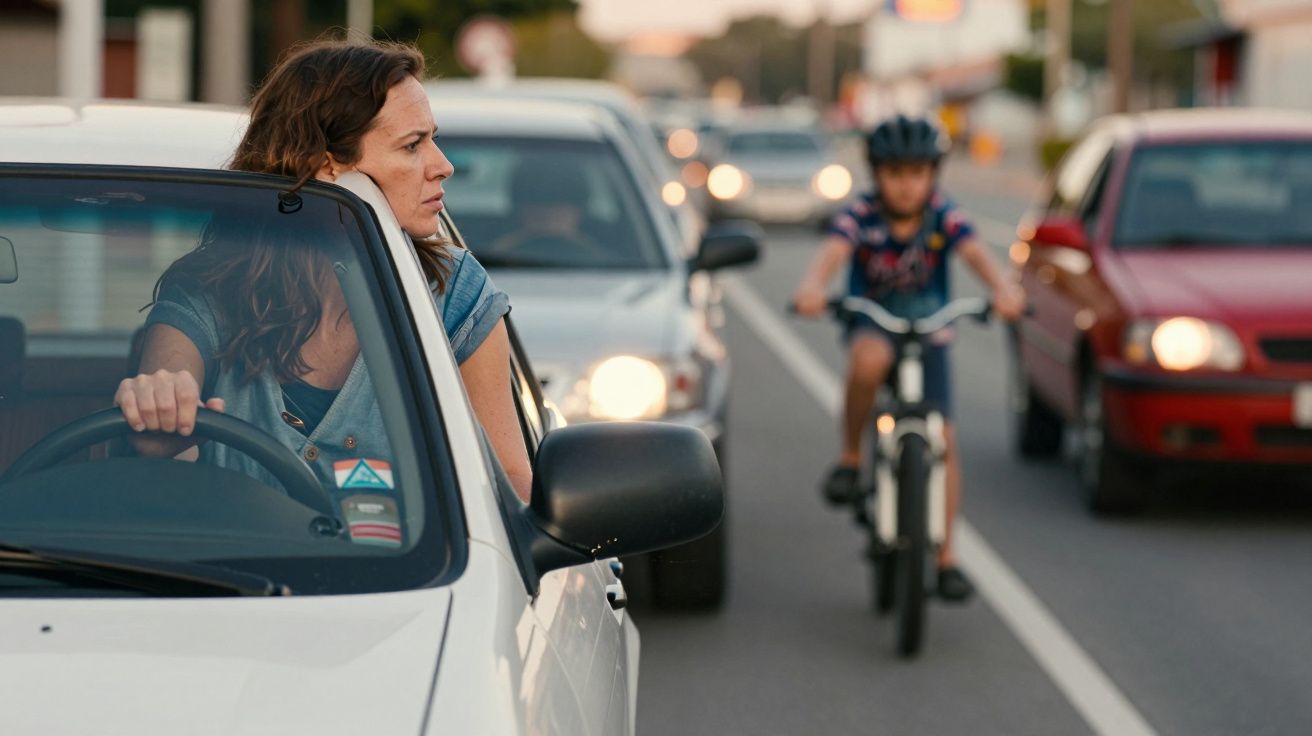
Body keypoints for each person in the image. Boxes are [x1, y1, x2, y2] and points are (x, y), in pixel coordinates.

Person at [114, 41, 533, 503]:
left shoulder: (454, 292)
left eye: (432, 139)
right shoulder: (210, 286)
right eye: (413, 145)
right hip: (240, 572)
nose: (443, 166)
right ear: (327, 166)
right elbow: (165, 393)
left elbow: (511, 485)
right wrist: (161, 408)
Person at [791, 114, 1024, 601]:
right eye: (895, 174)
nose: (906, 186)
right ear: (877, 175)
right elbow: (833, 252)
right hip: (875, 320)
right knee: (868, 364)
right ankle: (851, 458)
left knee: (945, 437)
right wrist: (813, 287)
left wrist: (1004, 289)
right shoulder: (862, 215)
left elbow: (977, 253)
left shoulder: (944, 215)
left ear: (932, 176)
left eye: (917, 174)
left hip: (931, 329)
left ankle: (945, 558)